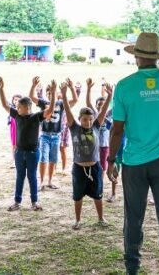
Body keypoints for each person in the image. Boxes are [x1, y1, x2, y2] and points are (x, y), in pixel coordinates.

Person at [107, 32, 159, 275]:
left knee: (133, 218)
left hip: (133, 162)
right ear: (157, 57)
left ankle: (132, 268)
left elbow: (117, 130)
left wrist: (111, 160)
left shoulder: (124, 86)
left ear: (137, 57)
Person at [61, 81, 112, 229]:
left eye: (90, 119)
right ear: (79, 119)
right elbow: (67, 110)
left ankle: (101, 218)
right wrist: (64, 95)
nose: (88, 122)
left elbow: (102, 112)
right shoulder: (74, 128)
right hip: (79, 168)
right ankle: (77, 220)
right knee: (78, 196)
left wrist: (109, 96)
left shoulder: (96, 126)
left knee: (98, 194)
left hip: (95, 166)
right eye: (85, 119)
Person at [0, 77, 54, 211]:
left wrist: (54, 93)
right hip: (19, 152)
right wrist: (1, 89)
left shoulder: (36, 117)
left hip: (33, 153)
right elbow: (5, 105)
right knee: (20, 176)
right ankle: (17, 201)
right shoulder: (17, 116)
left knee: (32, 176)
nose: (16, 109)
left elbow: (50, 109)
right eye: (17, 107)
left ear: (27, 107)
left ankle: (34, 202)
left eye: (19, 107)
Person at [32, 76, 78, 190]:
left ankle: (50, 181)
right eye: (48, 93)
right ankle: (41, 181)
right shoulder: (43, 103)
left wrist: (72, 88)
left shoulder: (61, 103)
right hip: (45, 135)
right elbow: (32, 97)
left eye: (53, 92)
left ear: (58, 94)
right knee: (43, 158)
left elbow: (75, 100)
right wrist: (33, 86)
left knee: (53, 159)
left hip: (56, 136)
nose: (50, 94)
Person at [7, 94, 22, 168]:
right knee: (13, 145)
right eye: (15, 99)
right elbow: (5, 103)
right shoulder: (11, 108)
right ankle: (14, 161)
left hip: (20, 127)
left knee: (20, 144)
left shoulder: (23, 109)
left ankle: (20, 160)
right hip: (13, 127)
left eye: (18, 99)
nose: (16, 101)